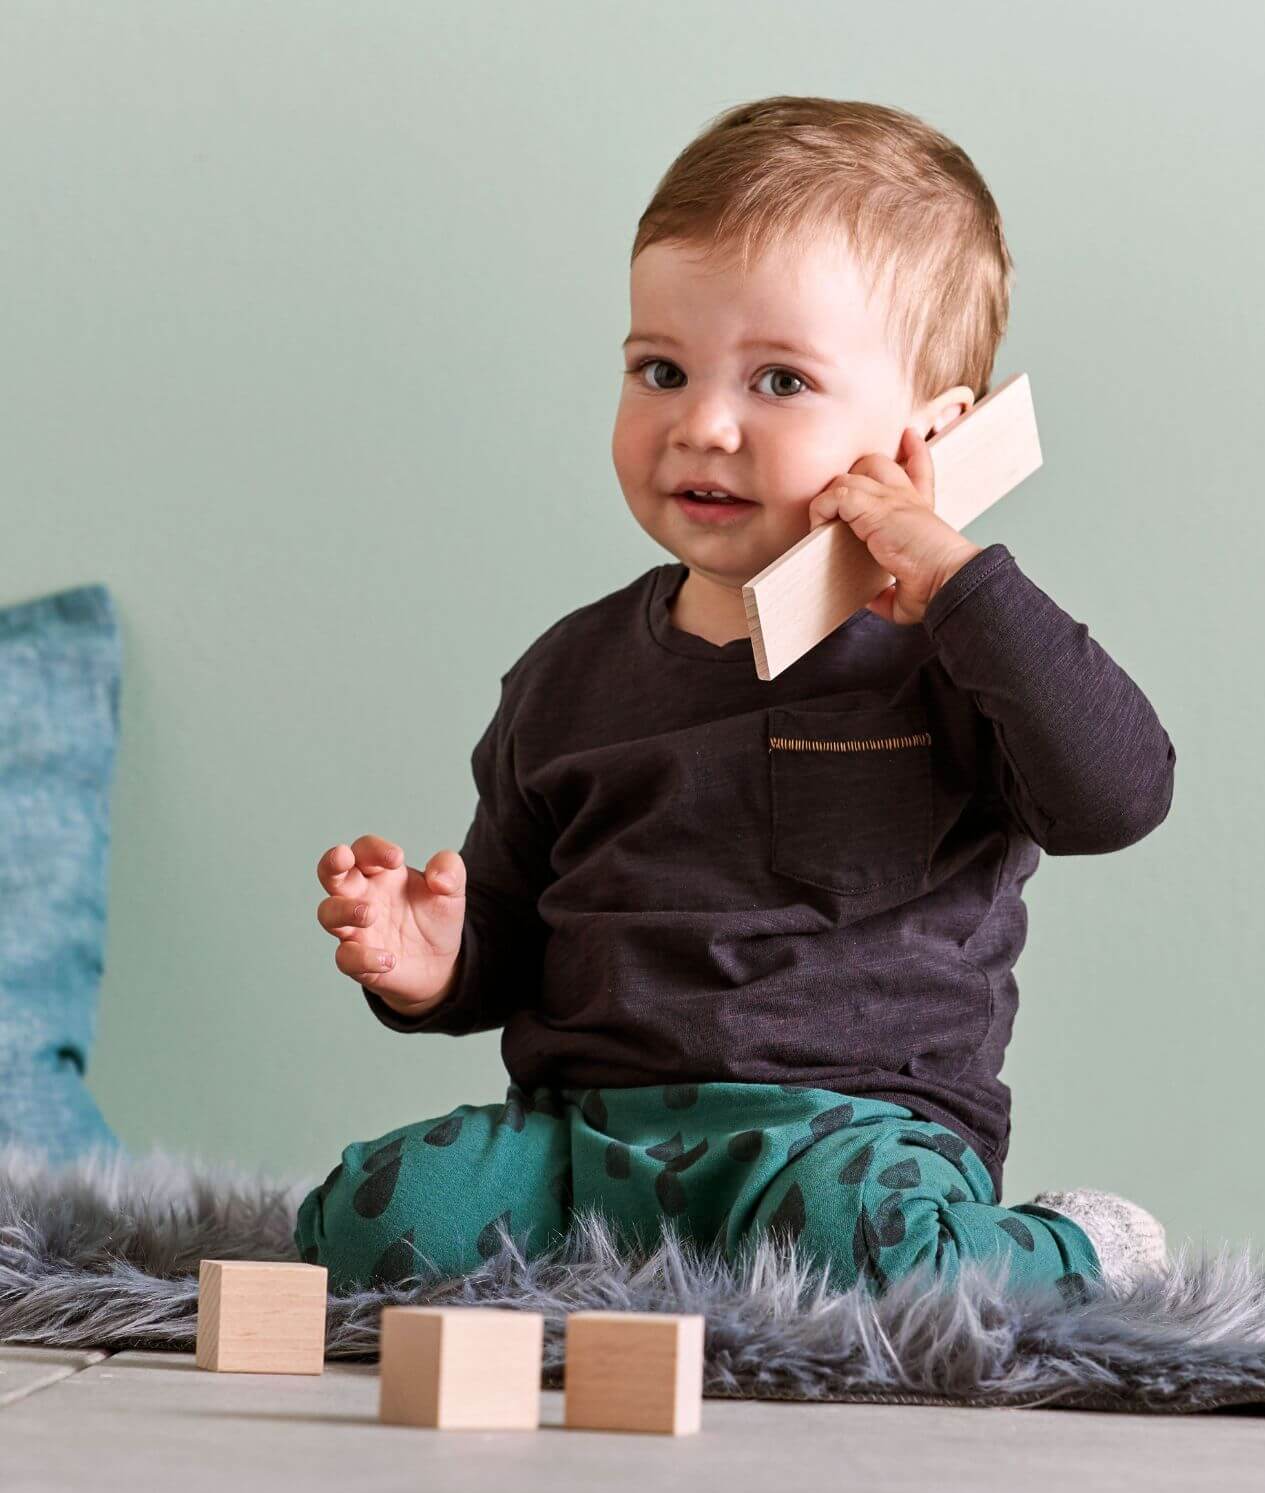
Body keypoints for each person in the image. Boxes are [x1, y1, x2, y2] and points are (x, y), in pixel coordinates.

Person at [296, 96, 1177, 1300]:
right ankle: (620, 1259)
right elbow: (513, 935)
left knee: (872, 1260)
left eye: (779, 380)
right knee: (369, 1220)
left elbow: (1119, 796)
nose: (702, 425)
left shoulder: (961, 658)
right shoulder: (567, 675)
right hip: (590, 1140)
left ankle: (1080, 1254)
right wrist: (435, 958)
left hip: (847, 1143)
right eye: (662, 369)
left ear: (929, 434)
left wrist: (962, 581)